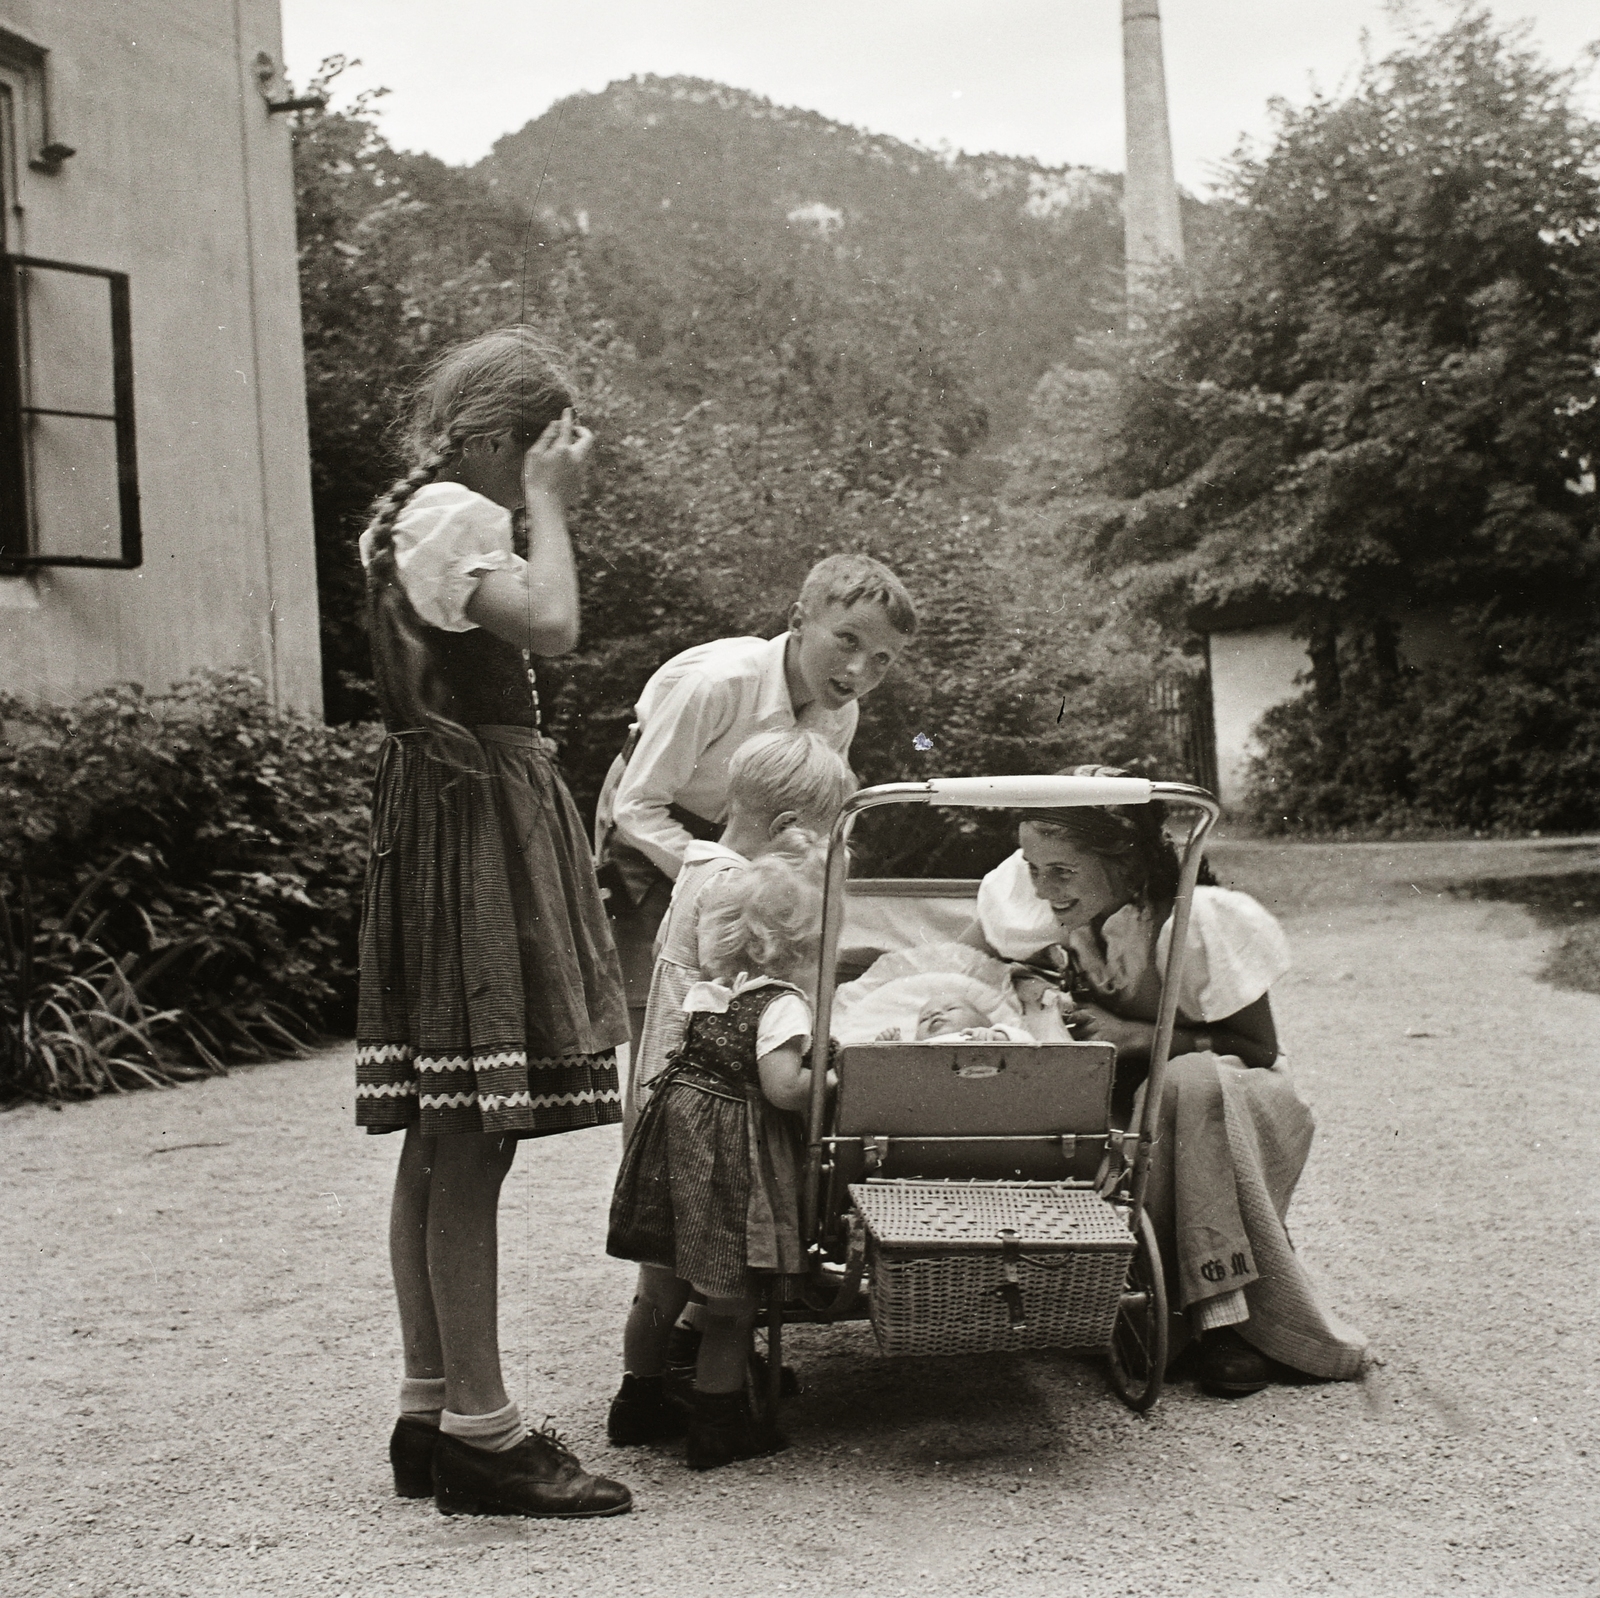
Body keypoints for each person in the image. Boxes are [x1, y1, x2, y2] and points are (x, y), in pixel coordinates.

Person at [354, 327, 632, 1519]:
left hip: (447, 808)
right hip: (477, 819)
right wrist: (547, 506)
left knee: (443, 1129)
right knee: (471, 1131)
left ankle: (430, 1409)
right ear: (503, 435)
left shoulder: (412, 515)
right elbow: (553, 623)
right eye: (545, 442)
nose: (555, 464)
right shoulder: (459, 516)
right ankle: (482, 1430)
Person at [972, 767, 1367, 1397]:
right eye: (1033, 868)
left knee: (1189, 1081)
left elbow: (1257, 1049)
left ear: (1125, 862)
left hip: (1231, 1098)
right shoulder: (1055, 907)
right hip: (1143, 1098)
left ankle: (1224, 1319)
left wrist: (1134, 1036)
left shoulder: (1193, 921)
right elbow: (977, 960)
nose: (1043, 889)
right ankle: (1126, 1301)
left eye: (1062, 871)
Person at [595, 553, 917, 1048]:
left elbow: (815, 813)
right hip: (649, 837)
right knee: (659, 1012)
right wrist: (724, 881)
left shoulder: (840, 712)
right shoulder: (717, 684)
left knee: (742, 1009)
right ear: (798, 622)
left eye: (881, 659)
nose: (858, 670)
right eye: (847, 640)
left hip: (748, 851)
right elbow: (637, 806)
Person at [605, 850, 832, 1470]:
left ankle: (637, 1402)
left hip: (675, 1144)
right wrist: (831, 1078)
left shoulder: (709, 994)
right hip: (727, 1157)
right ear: (799, 947)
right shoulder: (783, 1005)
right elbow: (782, 1087)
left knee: (658, 1290)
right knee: (730, 1300)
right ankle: (717, 1425)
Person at [627, 727, 856, 1132]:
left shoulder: (697, 865)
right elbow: (752, 992)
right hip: (702, 1083)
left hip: (667, 1060)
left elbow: (663, 949)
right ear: (785, 827)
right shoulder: (737, 886)